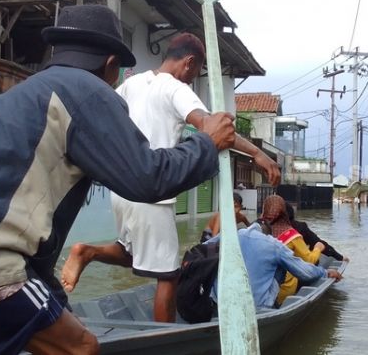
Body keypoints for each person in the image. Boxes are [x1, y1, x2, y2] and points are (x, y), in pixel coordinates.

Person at [0, 5, 237, 355]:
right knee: (80, 348)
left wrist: (55, 301)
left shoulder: (27, 93)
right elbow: (149, 177)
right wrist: (206, 144)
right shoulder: (88, 91)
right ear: (109, 65)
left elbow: (38, 239)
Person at [60, 33, 280, 323]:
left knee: (129, 254)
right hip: (154, 191)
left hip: (121, 189)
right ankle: (163, 339)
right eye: (196, 72)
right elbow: (213, 128)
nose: (193, 79)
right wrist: (258, 154)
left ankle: (86, 251)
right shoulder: (175, 89)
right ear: (189, 63)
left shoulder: (130, 84)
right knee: (169, 276)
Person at [204, 223, 343, 309]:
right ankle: (274, 305)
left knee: (215, 258)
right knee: (281, 264)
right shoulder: (273, 244)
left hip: (219, 300)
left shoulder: (231, 235)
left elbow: (202, 249)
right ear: (268, 234)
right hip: (258, 305)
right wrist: (325, 273)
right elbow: (304, 271)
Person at [261, 195, 327, 305]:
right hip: (282, 291)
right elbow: (309, 261)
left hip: (260, 288)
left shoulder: (257, 232)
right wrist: (318, 248)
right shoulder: (292, 236)